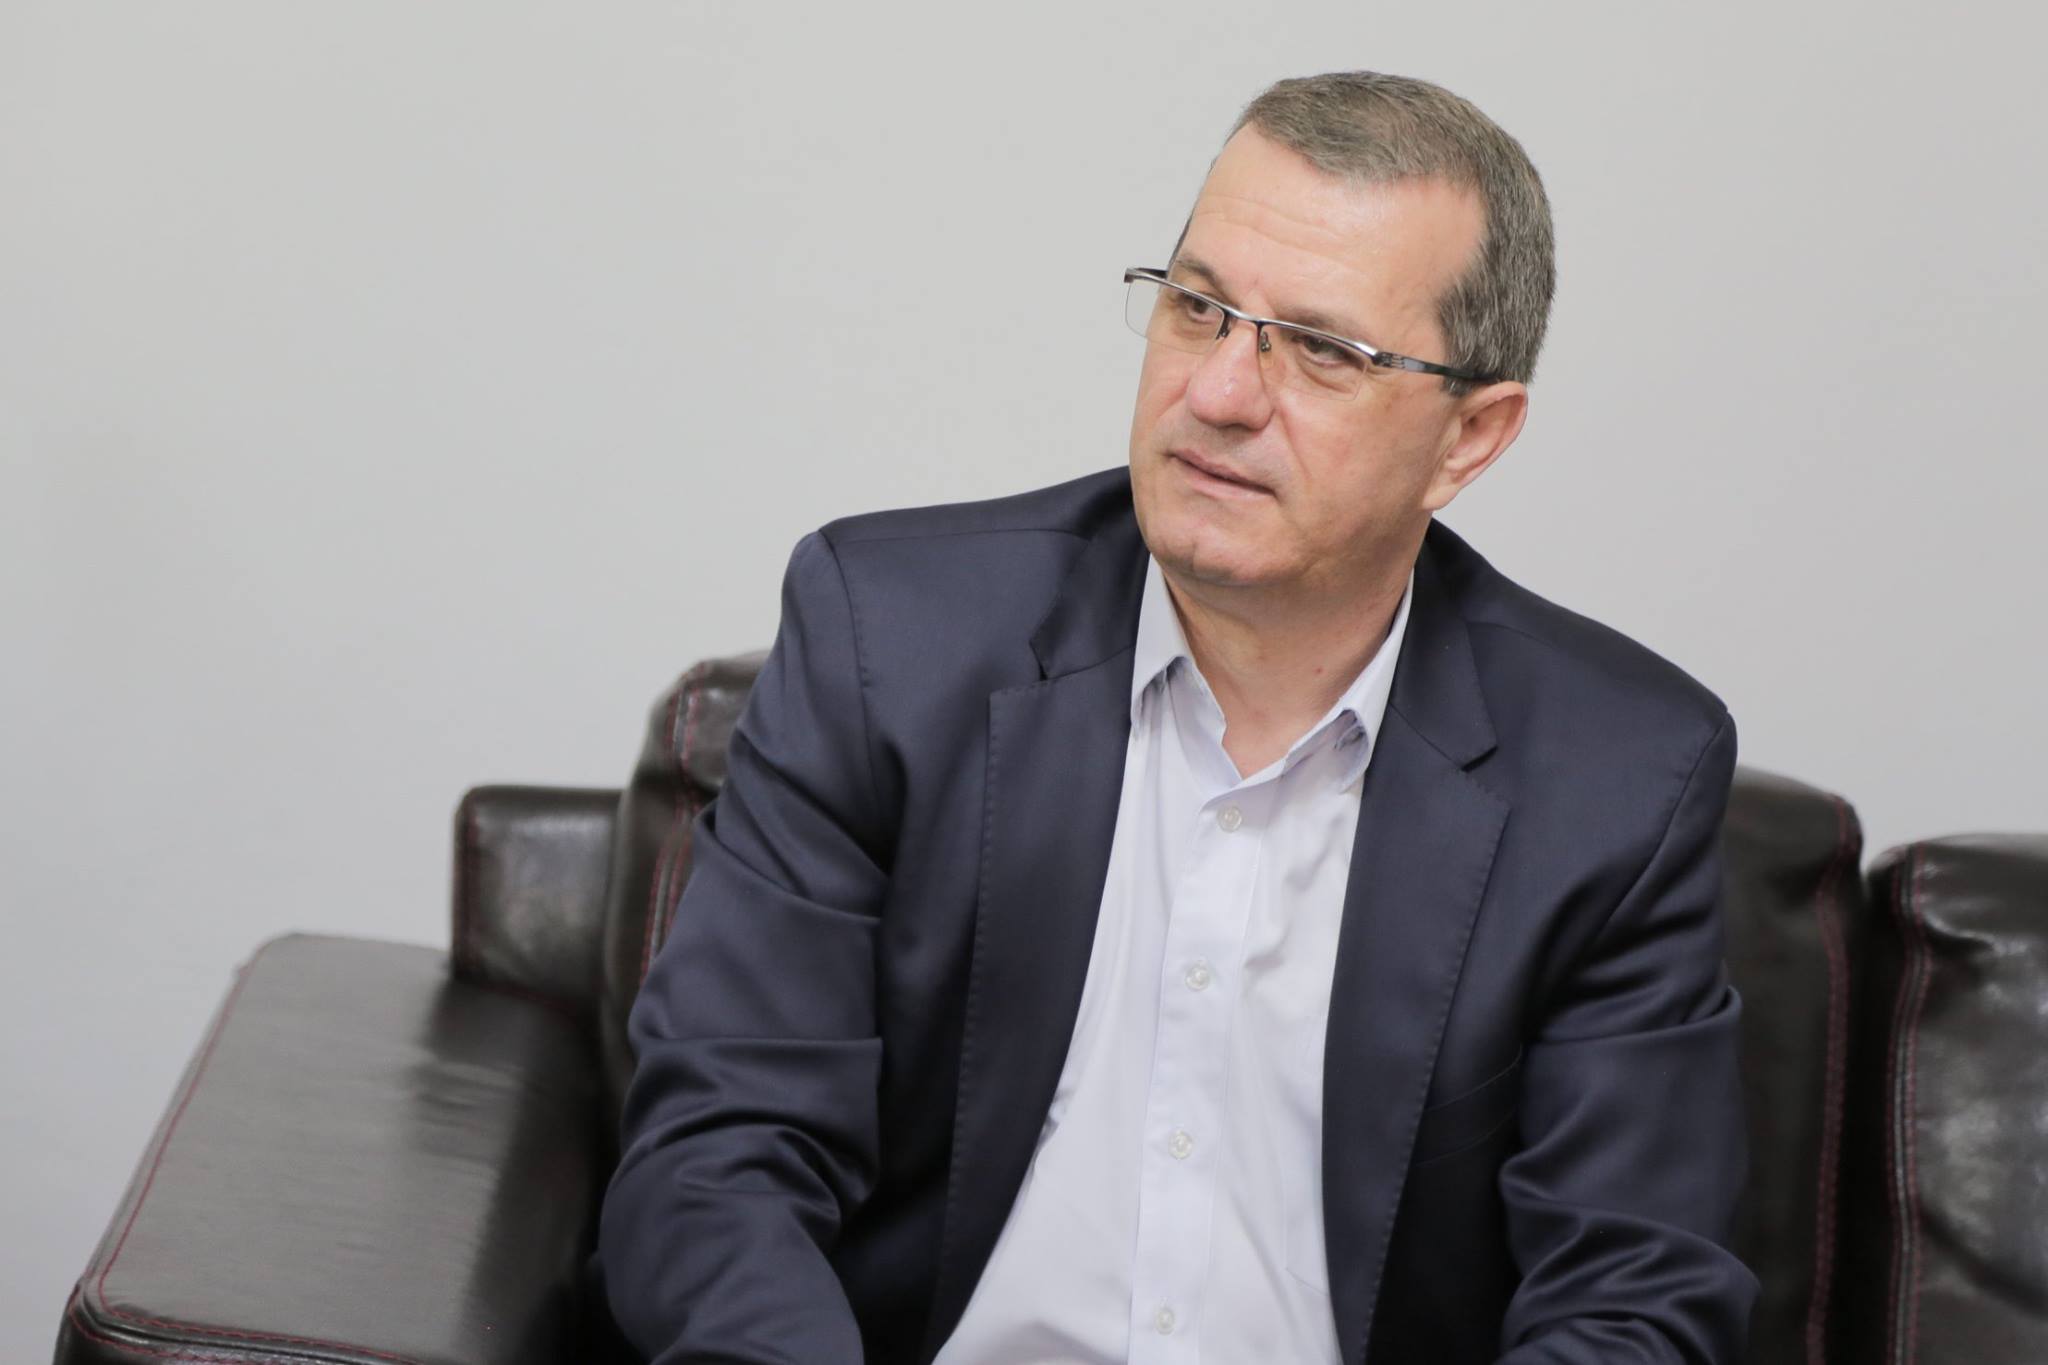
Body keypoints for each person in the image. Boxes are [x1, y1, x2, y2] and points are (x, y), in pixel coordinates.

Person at [597, 70, 1756, 1364]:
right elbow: (717, 1159)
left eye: (1322, 350)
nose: (1218, 394)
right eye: (1198, 308)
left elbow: (1632, 1301)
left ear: (1469, 438)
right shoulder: (891, 646)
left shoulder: (1618, 780)